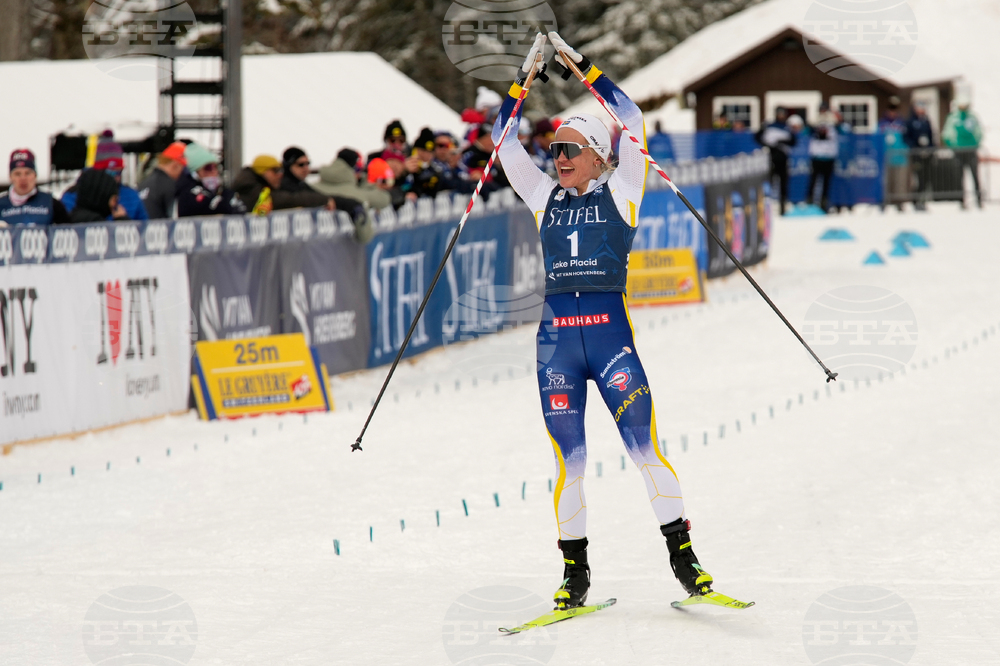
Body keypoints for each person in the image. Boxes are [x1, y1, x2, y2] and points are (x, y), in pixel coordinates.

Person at [495, 32, 720, 611]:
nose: (560, 158)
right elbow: (504, 144)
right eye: (555, 151)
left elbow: (632, 116)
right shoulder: (544, 196)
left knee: (644, 449)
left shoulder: (623, 190)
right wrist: (524, 78)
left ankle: (686, 563)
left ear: (599, 155)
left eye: (571, 149)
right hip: (556, 350)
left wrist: (577, 65)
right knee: (569, 462)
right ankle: (575, 576)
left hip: (611, 341)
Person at [62, 131, 148, 221]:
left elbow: (144, 229)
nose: (117, 177)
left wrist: (123, 223)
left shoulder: (131, 196)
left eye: (120, 172)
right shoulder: (73, 195)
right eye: (111, 173)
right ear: (98, 171)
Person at [0, 148, 70, 226]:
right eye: (17, 174)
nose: (23, 178)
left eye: (28, 173)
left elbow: (68, 232)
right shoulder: (1, 204)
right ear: (10, 177)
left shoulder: (51, 203)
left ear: (35, 175)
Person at [176, 143, 246, 217]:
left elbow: (241, 209)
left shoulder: (224, 192)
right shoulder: (188, 193)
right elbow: (207, 207)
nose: (214, 171)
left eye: (216, 167)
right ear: (195, 173)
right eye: (208, 168)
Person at [313, 148, 392, 210]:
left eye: (360, 170)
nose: (359, 174)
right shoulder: (353, 192)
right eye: (357, 170)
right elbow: (382, 198)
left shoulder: (316, 184)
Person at [942, 99, 984, 209]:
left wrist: (975, 144)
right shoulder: (953, 118)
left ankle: (979, 199)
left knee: (975, 176)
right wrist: (952, 146)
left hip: (971, 151)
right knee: (959, 177)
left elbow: (979, 132)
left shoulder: (972, 117)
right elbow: (947, 134)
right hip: (959, 151)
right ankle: (961, 200)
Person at [755, 108, 796, 214]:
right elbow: (757, 137)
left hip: (783, 159)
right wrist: (769, 145)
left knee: (783, 183)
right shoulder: (769, 126)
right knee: (769, 183)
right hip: (771, 158)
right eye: (779, 114)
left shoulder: (787, 127)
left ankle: (782, 207)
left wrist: (782, 142)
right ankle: (765, 207)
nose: (781, 116)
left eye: (783, 114)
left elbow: (793, 141)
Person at [137, 141, 187, 219]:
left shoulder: (144, 183)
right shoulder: (170, 185)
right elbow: (174, 218)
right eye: (183, 168)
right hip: (159, 229)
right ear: (175, 165)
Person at [806, 104, 839, 211]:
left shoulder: (833, 124)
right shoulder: (815, 123)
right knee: (813, 181)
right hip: (816, 157)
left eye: (825, 110)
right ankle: (810, 203)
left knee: (826, 182)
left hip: (829, 157)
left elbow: (844, 130)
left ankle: (824, 204)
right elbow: (805, 132)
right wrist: (811, 125)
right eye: (822, 110)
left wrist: (838, 121)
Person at [879, 97, 909, 211]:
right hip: (886, 157)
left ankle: (899, 202)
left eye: (895, 109)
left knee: (900, 181)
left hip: (900, 157)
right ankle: (885, 201)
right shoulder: (881, 124)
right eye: (891, 109)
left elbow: (907, 139)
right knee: (886, 181)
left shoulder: (902, 124)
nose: (892, 112)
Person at [904, 101, 935, 211]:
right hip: (916, 155)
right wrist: (916, 146)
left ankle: (922, 200)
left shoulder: (926, 121)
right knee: (918, 179)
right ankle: (915, 201)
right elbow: (906, 138)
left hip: (926, 155)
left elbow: (931, 136)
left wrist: (930, 149)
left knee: (926, 179)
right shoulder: (910, 121)